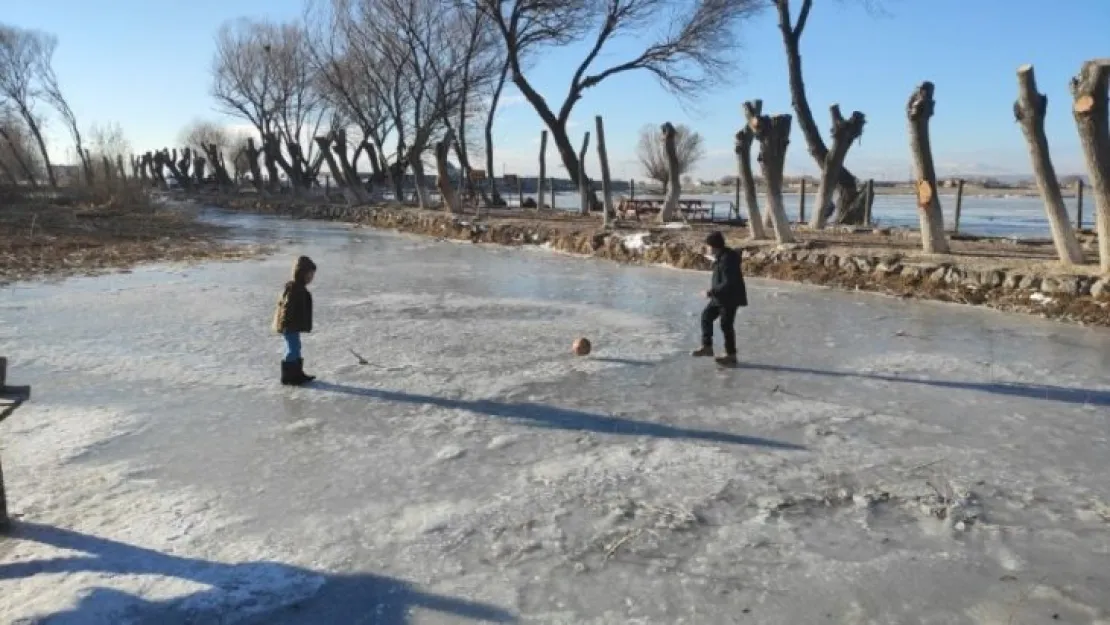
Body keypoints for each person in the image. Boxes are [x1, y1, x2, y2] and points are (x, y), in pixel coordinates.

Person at [692, 231, 747, 365]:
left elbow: (729, 282)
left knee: (726, 325)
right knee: (706, 316)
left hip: (730, 298)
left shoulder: (728, 259)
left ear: (715, 246)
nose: (707, 248)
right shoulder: (721, 256)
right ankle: (707, 347)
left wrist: (710, 292)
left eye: (709, 246)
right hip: (720, 297)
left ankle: (731, 355)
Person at [272, 255, 317, 385]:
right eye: (309, 275)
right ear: (300, 273)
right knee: (292, 349)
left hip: (293, 325)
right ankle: (289, 376)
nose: (311, 278)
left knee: (295, 347)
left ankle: (297, 373)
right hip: (289, 325)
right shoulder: (293, 289)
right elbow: (286, 307)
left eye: (312, 276)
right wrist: (286, 324)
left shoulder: (299, 288)